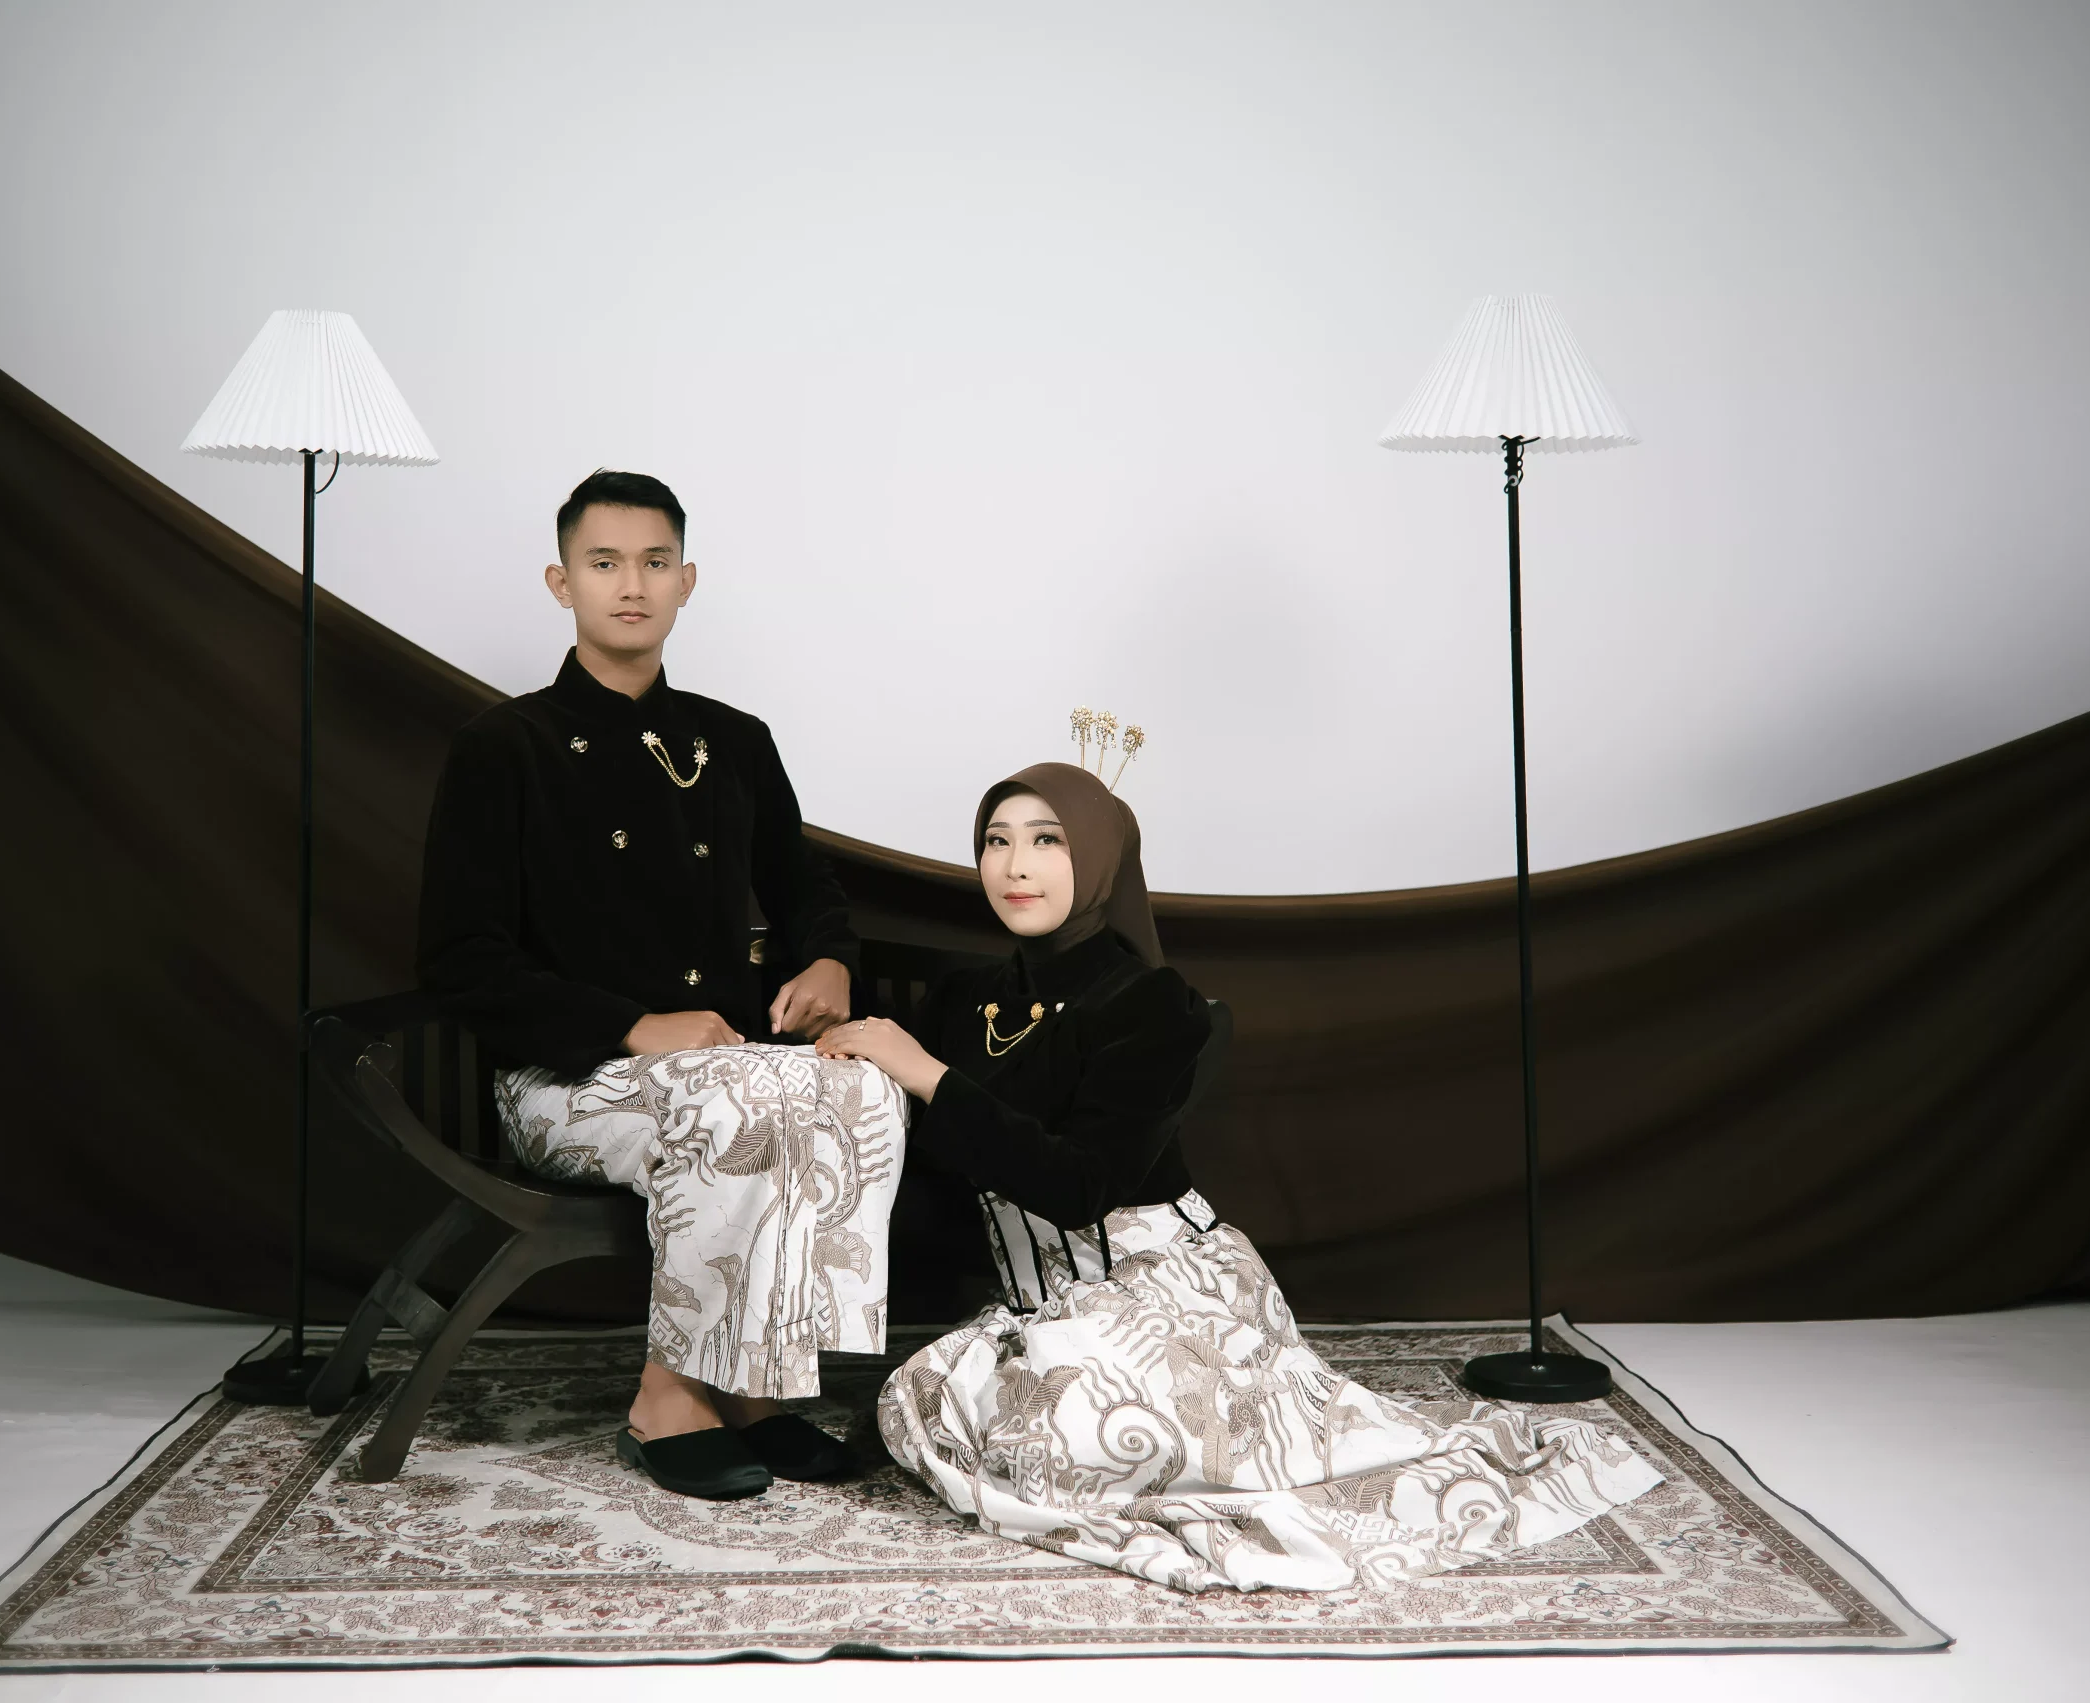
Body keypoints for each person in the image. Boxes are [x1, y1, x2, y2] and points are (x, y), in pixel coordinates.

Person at [817, 762, 1661, 1593]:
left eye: (1047, 840)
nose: (1015, 865)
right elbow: (930, 1155)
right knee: (926, 1405)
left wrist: (927, 1075)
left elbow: (1080, 1188)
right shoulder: (965, 999)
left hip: (1161, 1285)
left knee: (1079, 1439)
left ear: (1100, 859)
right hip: (1038, 1300)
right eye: (996, 841)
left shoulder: (1149, 1003)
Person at [418, 470, 902, 1501]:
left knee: (864, 1086)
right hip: (563, 1080)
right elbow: (462, 959)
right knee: (739, 1102)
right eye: (603, 563)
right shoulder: (502, 748)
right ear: (561, 582)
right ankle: (669, 1394)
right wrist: (635, 1023)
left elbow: (808, 890)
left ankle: (762, 1383)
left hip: (725, 1065)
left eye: (653, 562)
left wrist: (828, 959)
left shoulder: (736, 739)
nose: (630, 584)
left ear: (687, 580)